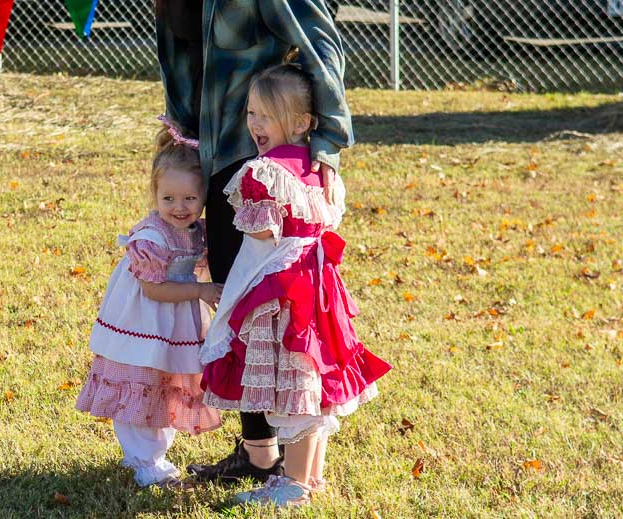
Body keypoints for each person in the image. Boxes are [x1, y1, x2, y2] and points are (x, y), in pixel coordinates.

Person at [155, 0, 354, 483]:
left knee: (267, 309)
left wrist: (325, 141)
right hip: (211, 148)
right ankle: (260, 452)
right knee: (232, 296)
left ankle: (293, 457)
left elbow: (320, 43)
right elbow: (184, 59)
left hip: (260, 156)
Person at [199, 62, 391, 508]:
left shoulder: (263, 172)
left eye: (266, 115)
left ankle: (294, 486)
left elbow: (264, 235)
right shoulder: (321, 171)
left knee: (293, 387)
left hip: (285, 295)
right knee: (312, 380)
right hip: (319, 290)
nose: (255, 124)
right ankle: (309, 477)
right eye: (251, 113)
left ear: (302, 121)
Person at [75, 123, 223, 488]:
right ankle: (144, 459)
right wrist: (202, 292)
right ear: (154, 194)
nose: (179, 207)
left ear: (203, 196)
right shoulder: (150, 238)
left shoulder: (198, 230)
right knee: (141, 381)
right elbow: (155, 291)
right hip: (145, 320)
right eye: (168, 198)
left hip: (174, 321)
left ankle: (151, 454)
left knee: (166, 382)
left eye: (190, 198)